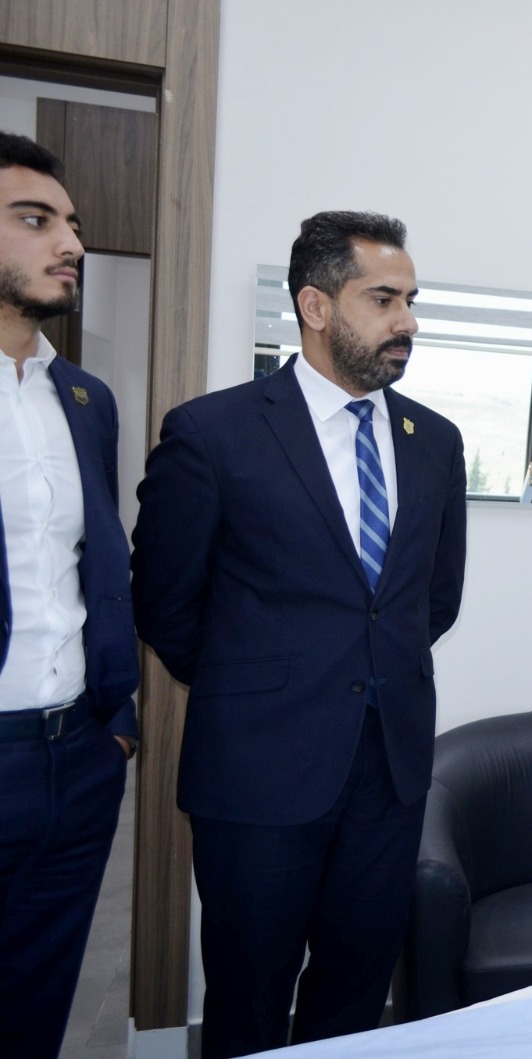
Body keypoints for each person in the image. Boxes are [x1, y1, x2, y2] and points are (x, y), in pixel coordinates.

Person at [131, 211, 467, 1057]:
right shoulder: (214, 432)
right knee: (249, 997)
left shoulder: (435, 441)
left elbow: (433, 599)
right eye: (383, 299)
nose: (407, 321)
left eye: (411, 300)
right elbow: (165, 600)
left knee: (355, 991)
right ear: (316, 307)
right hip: (258, 772)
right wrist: (257, 684)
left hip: (389, 772)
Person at [0, 131, 139, 1059]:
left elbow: (101, 563)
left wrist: (114, 721)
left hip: (77, 758)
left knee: (34, 1008)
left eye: (73, 224)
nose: (71, 243)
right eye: (35, 219)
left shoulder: (86, 400)